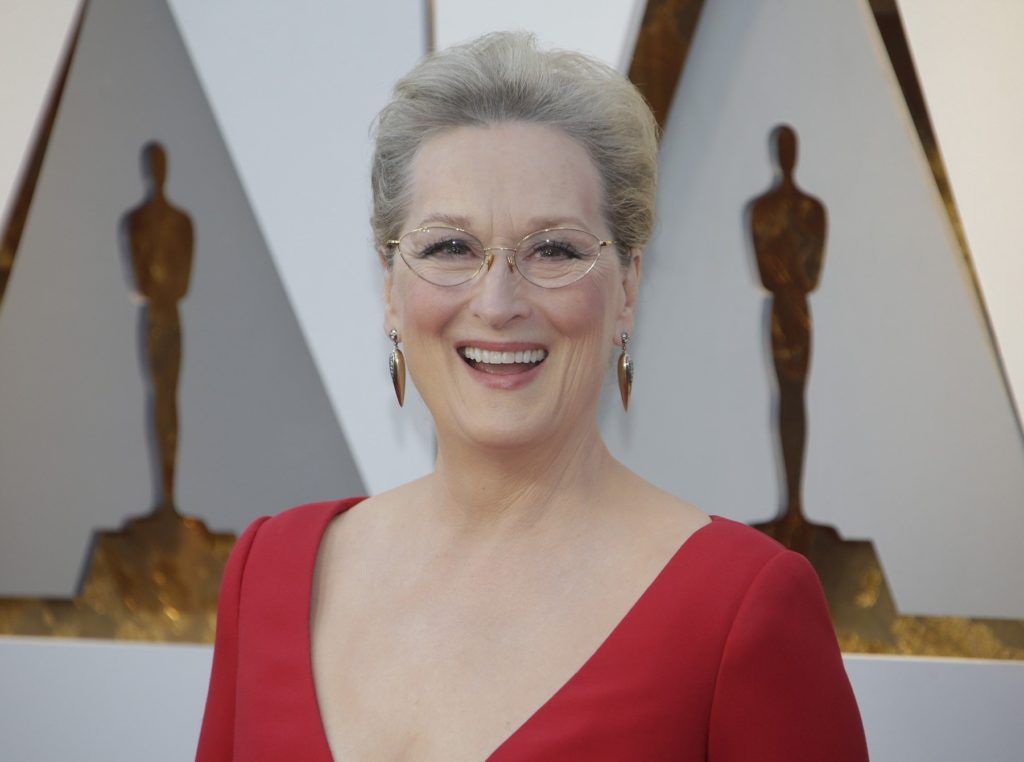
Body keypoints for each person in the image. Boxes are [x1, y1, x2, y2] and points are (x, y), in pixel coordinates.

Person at [196, 32, 867, 761]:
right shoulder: (269, 573)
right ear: (390, 287)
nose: (498, 301)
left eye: (555, 250)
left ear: (628, 287)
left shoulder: (743, 606)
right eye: (450, 247)